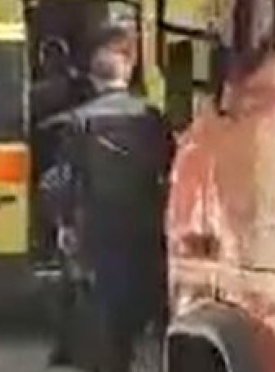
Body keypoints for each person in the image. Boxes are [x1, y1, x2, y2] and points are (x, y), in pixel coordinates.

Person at [40, 22, 175, 372]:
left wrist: (64, 224)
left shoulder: (78, 122)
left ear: (92, 79)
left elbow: (64, 179)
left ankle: (107, 357)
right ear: (127, 73)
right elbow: (168, 167)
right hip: (146, 222)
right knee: (141, 291)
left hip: (99, 225)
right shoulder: (152, 118)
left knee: (102, 301)